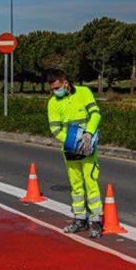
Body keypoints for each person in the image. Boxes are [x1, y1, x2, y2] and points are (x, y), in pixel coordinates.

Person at [47, 69, 103, 237]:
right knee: (76, 185)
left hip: (87, 146)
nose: (55, 91)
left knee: (91, 183)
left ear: (65, 82)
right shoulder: (53, 103)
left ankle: (96, 222)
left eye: (57, 87)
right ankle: (80, 220)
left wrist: (88, 133)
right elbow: (55, 129)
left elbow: (95, 114)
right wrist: (72, 142)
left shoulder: (84, 93)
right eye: (52, 89)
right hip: (70, 148)